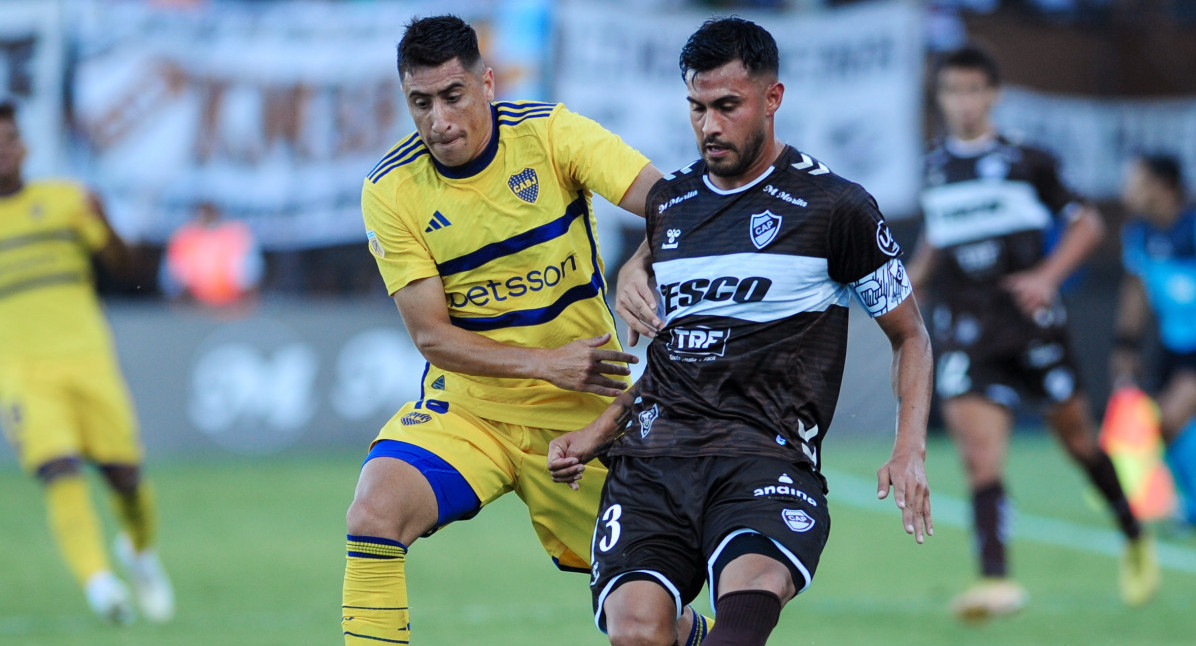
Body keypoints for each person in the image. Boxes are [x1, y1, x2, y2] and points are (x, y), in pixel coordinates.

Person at [547, 18, 934, 646]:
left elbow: (910, 336)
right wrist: (597, 431)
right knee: (637, 634)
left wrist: (909, 446)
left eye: (727, 106)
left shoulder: (836, 209)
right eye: (697, 108)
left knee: (742, 625)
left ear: (772, 99)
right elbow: (677, 356)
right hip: (654, 461)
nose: (709, 126)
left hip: (764, 457)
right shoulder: (670, 205)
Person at [341, 16, 711, 645]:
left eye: (453, 96)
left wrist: (638, 262)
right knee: (374, 513)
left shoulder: (549, 134)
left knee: (645, 623)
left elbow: (676, 205)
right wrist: (543, 364)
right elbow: (431, 336)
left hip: (584, 416)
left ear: (488, 82)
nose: (438, 121)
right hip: (471, 412)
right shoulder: (390, 189)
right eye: (420, 103)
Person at [906, 45, 1159, 621]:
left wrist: (1048, 276)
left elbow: (1088, 222)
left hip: (1030, 327)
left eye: (973, 90)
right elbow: (936, 242)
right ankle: (995, 581)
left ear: (992, 94)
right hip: (966, 329)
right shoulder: (934, 167)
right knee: (979, 456)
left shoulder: (1027, 159)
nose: (963, 102)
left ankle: (1132, 531)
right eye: (953, 91)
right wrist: (905, 289)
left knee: (1078, 443)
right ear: (941, 97)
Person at [0, 100, 174, 624]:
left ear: (24, 145)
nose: (2, 150)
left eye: (8, 138)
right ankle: (100, 586)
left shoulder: (66, 202)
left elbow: (125, 271)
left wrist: (107, 221)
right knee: (58, 469)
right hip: (22, 373)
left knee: (125, 478)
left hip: (89, 364)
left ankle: (138, 553)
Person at [1112, 152, 1196, 529]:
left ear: (1163, 188)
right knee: (1167, 424)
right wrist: (1126, 345)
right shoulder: (1140, 234)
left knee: (1171, 416)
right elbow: (1136, 293)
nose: (1129, 191)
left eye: (1138, 182)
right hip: (1172, 345)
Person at [159, 200, 263, 308]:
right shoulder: (183, 238)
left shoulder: (235, 235)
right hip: (194, 304)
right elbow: (174, 279)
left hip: (232, 303)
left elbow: (249, 274)